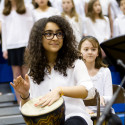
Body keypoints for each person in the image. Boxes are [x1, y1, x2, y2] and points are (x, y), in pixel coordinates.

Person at [10, 16, 95, 125]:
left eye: (59, 34)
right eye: (49, 34)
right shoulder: (34, 70)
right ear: (39, 38)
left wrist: (60, 90)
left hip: (74, 118)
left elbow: (89, 91)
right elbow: (29, 110)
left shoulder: (75, 63)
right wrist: (25, 94)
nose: (55, 38)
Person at [78, 36, 122, 125]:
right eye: (86, 49)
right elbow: (74, 98)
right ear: (80, 52)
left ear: (98, 52)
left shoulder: (105, 71)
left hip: (104, 112)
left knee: (116, 122)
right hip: (83, 112)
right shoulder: (76, 71)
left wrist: (103, 98)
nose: (90, 52)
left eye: (93, 49)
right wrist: (84, 109)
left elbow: (109, 98)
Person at [1, 0, 33, 103]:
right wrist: (4, 48)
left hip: (24, 45)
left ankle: (30, 99)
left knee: (26, 74)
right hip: (11, 46)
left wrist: (30, 45)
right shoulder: (5, 10)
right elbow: (4, 31)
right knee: (16, 75)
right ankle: (20, 102)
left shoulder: (26, 8)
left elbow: (31, 27)